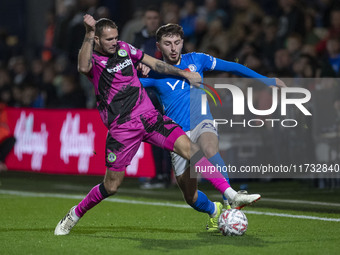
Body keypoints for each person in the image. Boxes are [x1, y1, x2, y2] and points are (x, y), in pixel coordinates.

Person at [54, 15, 260, 236]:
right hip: (123, 128)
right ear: (96, 40)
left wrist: (182, 73)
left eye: (116, 37)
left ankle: (230, 195)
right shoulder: (94, 61)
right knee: (111, 186)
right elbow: (82, 66)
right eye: (108, 39)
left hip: (150, 117)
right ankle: (75, 214)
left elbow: (156, 63)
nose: (115, 42)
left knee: (192, 149)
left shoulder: (124, 49)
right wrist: (87, 33)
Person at [139, 23, 286, 230]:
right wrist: (139, 68)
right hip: (177, 136)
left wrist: (266, 80)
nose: (173, 48)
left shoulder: (197, 60)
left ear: (183, 43)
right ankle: (213, 211)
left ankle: (229, 202)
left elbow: (233, 66)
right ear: (158, 46)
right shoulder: (153, 74)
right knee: (191, 197)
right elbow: (125, 86)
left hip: (202, 122)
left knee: (209, 149)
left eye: (177, 43)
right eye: (167, 43)